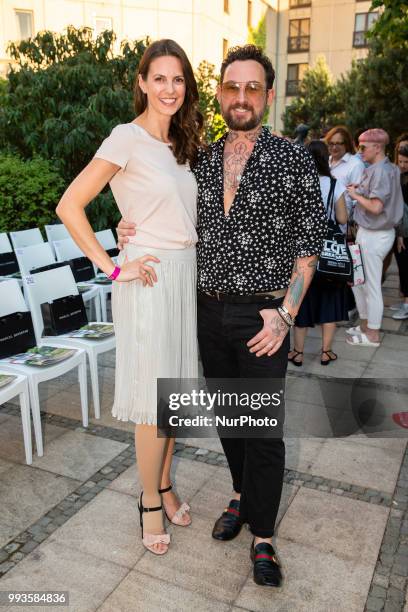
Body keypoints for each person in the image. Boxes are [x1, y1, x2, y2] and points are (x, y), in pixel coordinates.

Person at [118, 44, 327, 587]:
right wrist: (127, 231)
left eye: (252, 88)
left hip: (265, 316)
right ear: (219, 92)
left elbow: (309, 249)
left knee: (262, 429)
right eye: (231, 87)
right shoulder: (201, 157)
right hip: (205, 310)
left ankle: (263, 536)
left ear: (269, 95)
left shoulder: (292, 159)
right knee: (229, 418)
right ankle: (240, 496)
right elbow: (167, 213)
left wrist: (284, 314)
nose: (241, 97)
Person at [56, 39, 204, 555]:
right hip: (147, 279)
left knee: (176, 399)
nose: (169, 89)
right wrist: (114, 265)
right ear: (142, 82)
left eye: (178, 79)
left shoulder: (182, 144)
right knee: (154, 403)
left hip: (183, 277)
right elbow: (70, 205)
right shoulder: (126, 136)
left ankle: (164, 484)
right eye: (159, 78)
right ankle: (146, 500)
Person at [288, 140, 348, 366]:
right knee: (330, 301)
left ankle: (298, 352)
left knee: (302, 300)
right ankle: (326, 352)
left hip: (304, 251)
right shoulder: (335, 185)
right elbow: (342, 219)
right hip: (330, 254)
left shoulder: (299, 183)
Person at [346, 128, 404, 346]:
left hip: (375, 234)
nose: (359, 151)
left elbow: (377, 207)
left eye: (363, 147)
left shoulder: (381, 171)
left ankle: (372, 334)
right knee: (359, 283)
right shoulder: (384, 168)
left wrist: (355, 195)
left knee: (369, 285)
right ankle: (365, 325)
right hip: (369, 232)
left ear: (377, 147)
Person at [325, 125, 365, 221]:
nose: (334, 147)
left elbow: (358, 198)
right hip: (325, 221)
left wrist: (351, 223)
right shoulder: (325, 162)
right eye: (331, 143)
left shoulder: (355, 165)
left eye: (339, 143)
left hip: (344, 225)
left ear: (346, 144)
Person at [392, 143, 408, 320]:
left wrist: (401, 235)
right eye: (400, 161)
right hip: (401, 230)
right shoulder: (401, 176)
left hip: (405, 232)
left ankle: (406, 304)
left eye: (406, 162)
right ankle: (405, 300)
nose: (402, 165)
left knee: (405, 268)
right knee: (402, 268)